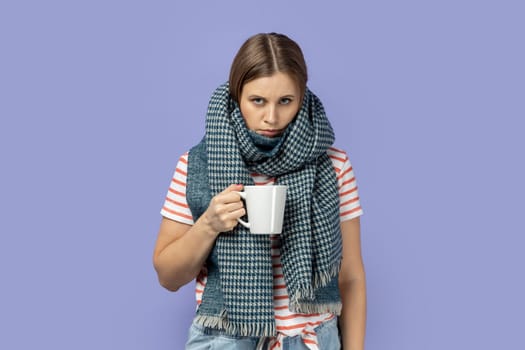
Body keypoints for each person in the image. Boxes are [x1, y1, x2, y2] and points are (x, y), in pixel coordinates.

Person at [153, 32, 366, 350]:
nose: (271, 117)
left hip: (312, 342)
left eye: (285, 101)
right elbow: (168, 277)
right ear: (237, 95)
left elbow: (350, 277)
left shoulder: (334, 166)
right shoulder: (197, 165)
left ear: (302, 96)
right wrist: (209, 224)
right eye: (257, 101)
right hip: (226, 340)